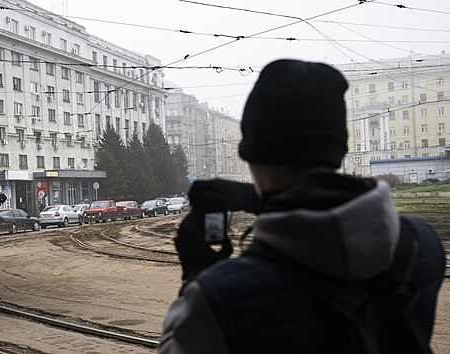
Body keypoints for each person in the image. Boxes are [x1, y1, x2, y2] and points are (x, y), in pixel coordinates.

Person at [158, 59, 445, 353]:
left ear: (253, 155)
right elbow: (331, 232)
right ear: (339, 150)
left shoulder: (218, 299)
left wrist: (196, 275)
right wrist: (266, 202)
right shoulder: (423, 246)